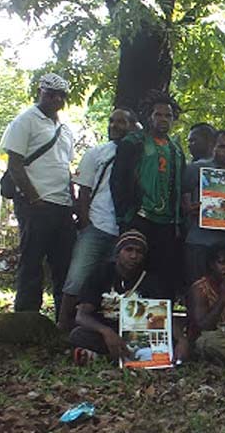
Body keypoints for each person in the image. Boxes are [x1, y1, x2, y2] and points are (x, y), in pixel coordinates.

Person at [0, 73, 76, 318]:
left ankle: (63, 321)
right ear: (40, 92)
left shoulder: (65, 130)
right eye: (50, 93)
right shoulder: (25, 120)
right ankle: (26, 318)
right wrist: (34, 198)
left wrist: (72, 202)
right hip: (36, 204)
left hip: (62, 205)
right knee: (32, 262)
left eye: (60, 96)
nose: (55, 99)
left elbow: (64, 166)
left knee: (63, 264)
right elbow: (15, 164)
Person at [58, 107, 139, 331]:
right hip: (97, 226)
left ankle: (109, 328)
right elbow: (84, 191)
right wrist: (86, 223)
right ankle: (63, 327)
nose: (114, 126)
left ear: (132, 126)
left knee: (113, 281)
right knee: (77, 277)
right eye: (112, 121)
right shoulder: (97, 153)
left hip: (123, 230)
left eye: (121, 122)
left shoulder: (140, 155)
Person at [110, 90, 187, 301]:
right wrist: (125, 215)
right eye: (158, 115)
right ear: (149, 116)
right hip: (139, 217)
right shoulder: (133, 142)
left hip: (167, 223)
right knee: (133, 269)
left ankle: (161, 326)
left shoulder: (176, 149)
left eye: (168, 116)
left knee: (163, 273)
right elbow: (118, 181)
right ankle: (129, 324)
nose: (163, 119)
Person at [69, 231, 189, 364]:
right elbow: (81, 315)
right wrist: (106, 332)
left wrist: (181, 340)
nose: (133, 256)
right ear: (118, 252)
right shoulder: (101, 274)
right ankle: (113, 356)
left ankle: (104, 357)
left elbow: (165, 317)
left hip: (140, 336)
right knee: (78, 335)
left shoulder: (153, 281)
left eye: (139, 252)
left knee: (170, 343)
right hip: (106, 332)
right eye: (128, 250)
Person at [184, 129, 225, 287]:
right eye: (222, 146)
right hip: (199, 242)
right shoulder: (196, 169)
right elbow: (182, 195)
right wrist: (188, 207)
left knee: (218, 293)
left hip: (224, 247)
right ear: (213, 147)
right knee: (196, 290)